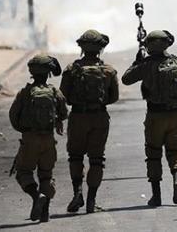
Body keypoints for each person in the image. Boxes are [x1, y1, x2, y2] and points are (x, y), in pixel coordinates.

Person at [121, 30, 177, 207]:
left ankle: (156, 196)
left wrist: (137, 61)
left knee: (153, 153)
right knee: (175, 151)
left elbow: (126, 79)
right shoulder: (174, 61)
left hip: (155, 116)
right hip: (175, 115)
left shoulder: (146, 65)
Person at [60, 30, 119, 213]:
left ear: (82, 47)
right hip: (99, 118)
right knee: (97, 159)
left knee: (75, 157)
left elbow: (63, 96)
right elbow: (114, 97)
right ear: (100, 48)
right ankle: (91, 201)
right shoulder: (108, 70)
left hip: (78, 117)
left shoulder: (71, 70)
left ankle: (77, 193)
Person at [9, 54, 68, 223]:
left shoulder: (25, 93)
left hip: (30, 139)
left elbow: (13, 116)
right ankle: (45, 213)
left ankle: (36, 197)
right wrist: (56, 121)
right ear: (48, 73)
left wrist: (25, 130)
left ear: (32, 73)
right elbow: (64, 113)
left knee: (23, 172)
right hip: (48, 140)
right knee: (46, 176)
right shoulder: (55, 92)